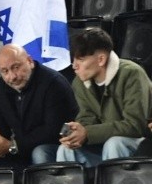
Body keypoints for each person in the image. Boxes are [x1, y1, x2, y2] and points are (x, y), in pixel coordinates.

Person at [0, 44, 79, 168]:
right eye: (5, 71)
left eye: (16, 67)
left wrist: (13, 145)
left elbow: (53, 131)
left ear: (30, 61)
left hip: (54, 145)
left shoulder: (53, 83)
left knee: (40, 153)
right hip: (18, 149)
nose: (12, 77)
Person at [56, 28, 152, 166]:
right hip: (102, 142)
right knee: (65, 149)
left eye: (81, 59)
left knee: (115, 144)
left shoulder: (132, 74)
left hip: (141, 143)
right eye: (73, 60)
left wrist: (88, 133)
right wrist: (76, 133)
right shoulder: (80, 82)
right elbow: (86, 117)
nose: (74, 66)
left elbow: (135, 126)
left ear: (101, 59)